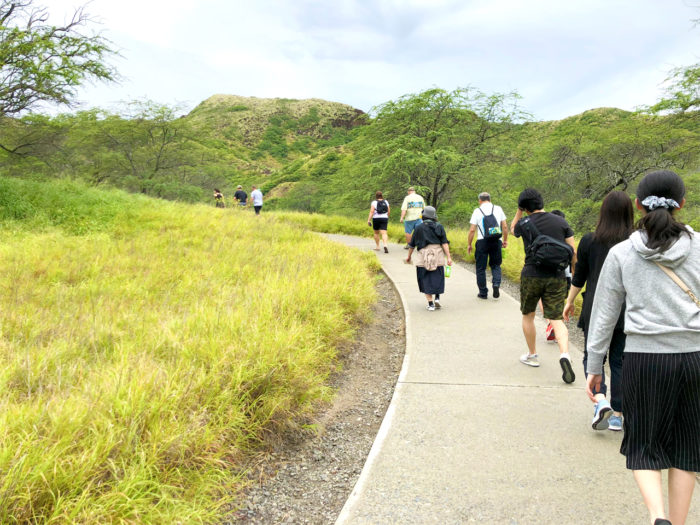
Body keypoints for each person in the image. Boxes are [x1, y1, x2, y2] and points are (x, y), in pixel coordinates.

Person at [585, 170, 699, 525]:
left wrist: (594, 366)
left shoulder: (622, 253)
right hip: (696, 358)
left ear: (638, 205)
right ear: (681, 204)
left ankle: (657, 517)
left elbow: (604, 314)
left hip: (644, 360)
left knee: (645, 447)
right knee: (688, 450)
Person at [562, 191, 633, 431]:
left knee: (592, 355)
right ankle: (618, 414)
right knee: (620, 360)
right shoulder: (635, 241)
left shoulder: (590, 240)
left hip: (596, 307)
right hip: (627, 310)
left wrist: (569, 301)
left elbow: (579, 276)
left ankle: (600, 401)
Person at [510, 188, 577, 383]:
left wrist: (519, 211)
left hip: (532, 274)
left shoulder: (524, 222)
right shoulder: (561, 221)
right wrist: (573, 276)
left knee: (528, 315)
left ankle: (532, 355)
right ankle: (564, 354)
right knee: (556, 318)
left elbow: (512, 229)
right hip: (556, 276)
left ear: (524, 207)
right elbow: (573, 253)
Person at [405, 206, 453, 311]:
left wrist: (408, 257)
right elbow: (444, 243)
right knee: (438, 277)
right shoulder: (439, 226)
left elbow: (412, 245)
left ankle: (430, 304)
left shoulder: (418, 228)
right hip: (438, 255)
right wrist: (448, 257)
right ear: (434, 216)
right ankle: (437, 299)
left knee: (424, 279)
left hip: (423, 256)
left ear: (424, 215)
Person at [467, 192, 508, 299]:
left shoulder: (477, 211)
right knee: (496, 265)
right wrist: (505, 240)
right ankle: (496, 284)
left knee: (481, 268)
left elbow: (472, 230)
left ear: (480, 200)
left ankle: (483, 293)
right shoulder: (498, 208)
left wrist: (469, 244)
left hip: (482, 241)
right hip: (496, 240)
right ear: (490, 199)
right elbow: (504, 227)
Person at [544, 210, 571, 340]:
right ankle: (557, 325)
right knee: (559, 302)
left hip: (550, 275)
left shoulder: (546, 238)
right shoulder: (567, 237)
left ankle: (552, 324)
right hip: (567, 276)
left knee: (545, 300)